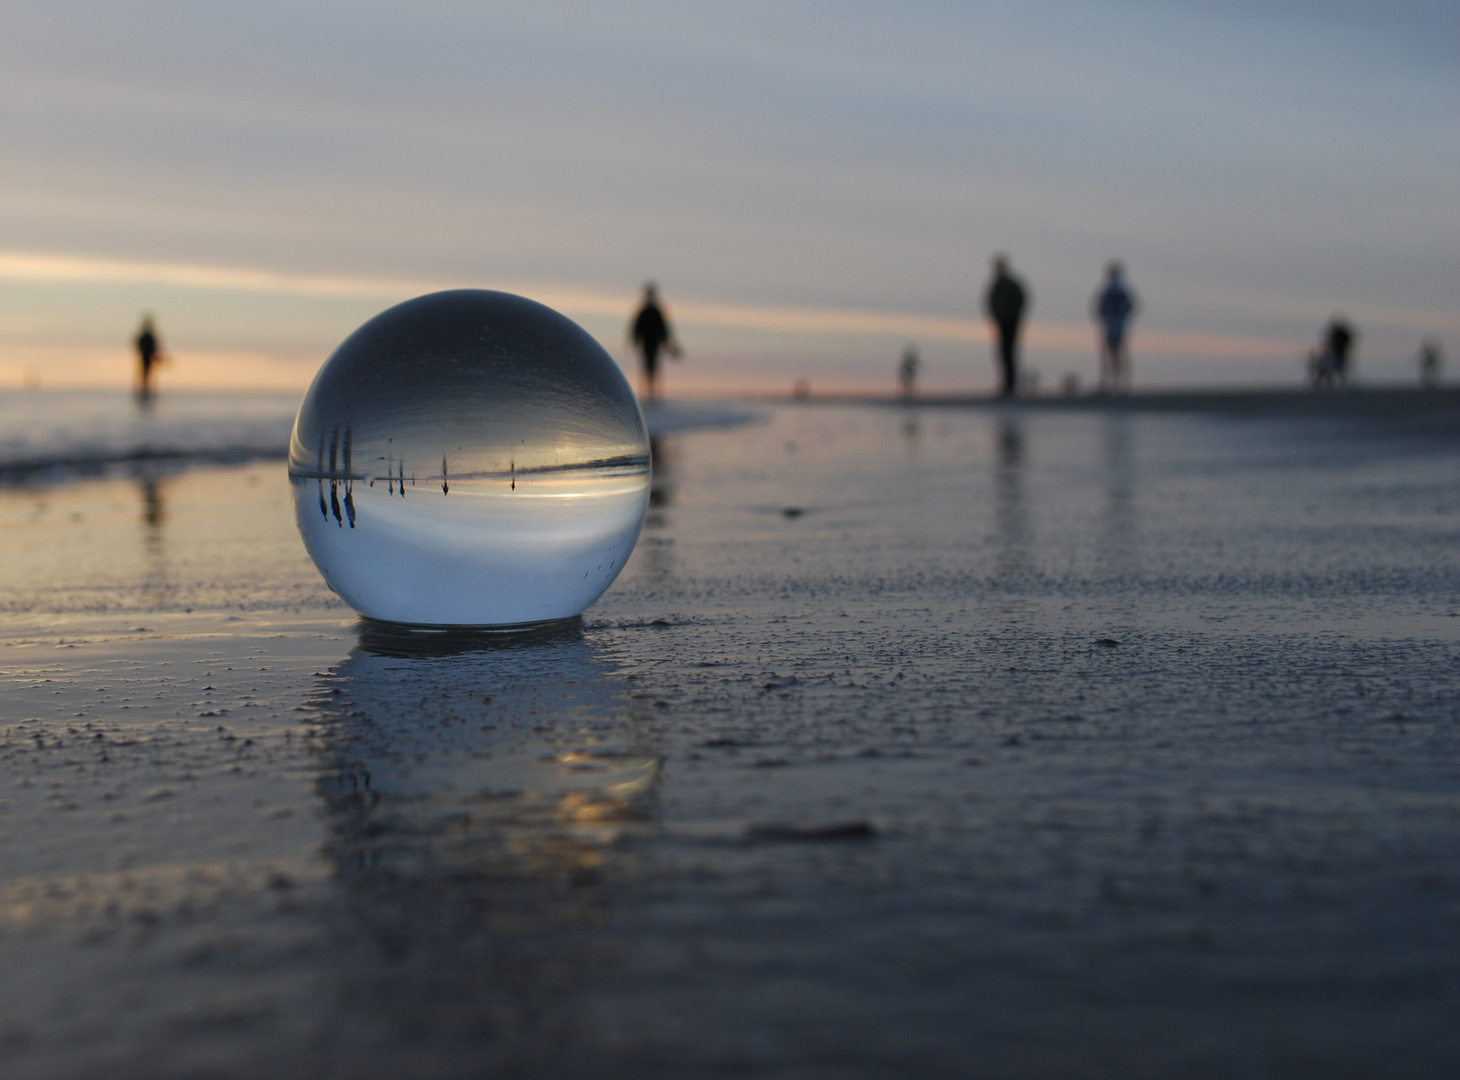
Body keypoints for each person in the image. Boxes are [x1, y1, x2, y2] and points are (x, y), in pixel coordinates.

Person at [983, 256, 1028, 397]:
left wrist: (1014, 314)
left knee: (1010, 352)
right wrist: (995, 316)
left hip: (1012, 322)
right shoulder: (996, 286)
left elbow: (1022, 299)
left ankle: (1011, 384)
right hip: (1000, 323)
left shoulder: (1011, 285)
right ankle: (1006, 383)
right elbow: (990, 302)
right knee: (1002, 352)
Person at [628, 283, 681, 403]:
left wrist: (666, 342)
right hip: (648, 344)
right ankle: (649, 395)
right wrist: (635, 339)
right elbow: (638, 327)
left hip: (653, 344)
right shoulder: (646, 311)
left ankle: (653, 395)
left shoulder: (653, 311)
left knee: (653, 369)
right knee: (648, 369)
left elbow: (662, 329)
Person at [1092, 262, 1138, 393]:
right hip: (1118, 324)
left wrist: (1106, 317)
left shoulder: (1109, 290)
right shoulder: (1121, 289)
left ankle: (1111, 383)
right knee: (1119, 353)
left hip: (1112, 324)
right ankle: (1121, 383)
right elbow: (1130, 306)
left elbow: (1100, 307)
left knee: (1110, 353)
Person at [1310, 314, 1356, 389]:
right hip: (1336, 356)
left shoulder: (1339, 336)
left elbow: (1332, 344)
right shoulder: (1341, 335)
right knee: (1332, 370)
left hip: (1337, 355)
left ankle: (1327, 384)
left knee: (1331, 369)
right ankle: (1329, 383)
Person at [135, 314, 164, 396]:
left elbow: (153, 346)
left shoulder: (148, 336)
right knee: (145, 373)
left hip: (148, 356)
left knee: (147, 373)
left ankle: (147, 389)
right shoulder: (147, 336)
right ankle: (145, 389)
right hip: (145, 356)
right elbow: (140, 345)